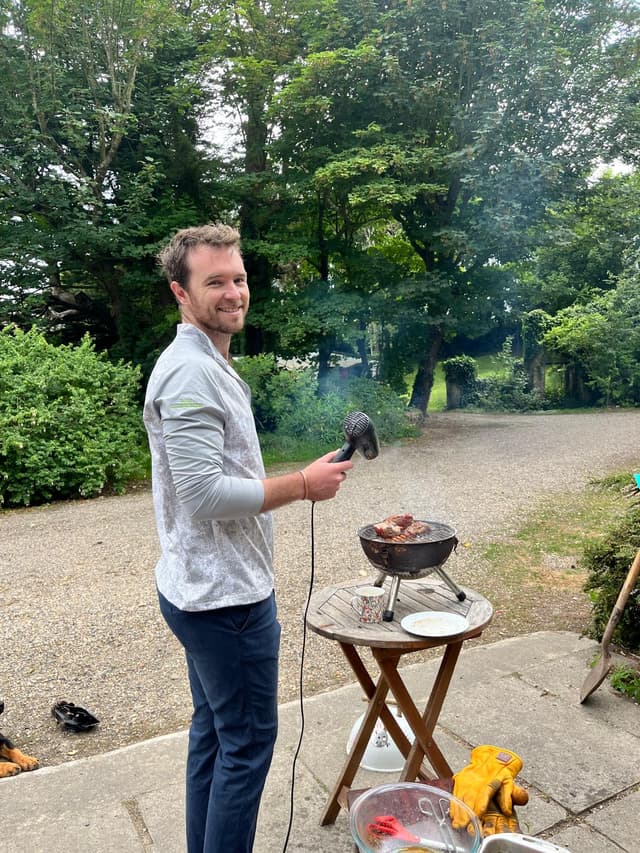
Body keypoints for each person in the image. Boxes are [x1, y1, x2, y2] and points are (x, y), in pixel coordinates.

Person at [143, 223, 353, 853]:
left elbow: (219, 475)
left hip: (204, 591)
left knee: (214, 731)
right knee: (248, 745)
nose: (233, 293)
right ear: (182, 293)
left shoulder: (210, 362)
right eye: (215, 282)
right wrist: (302, 485)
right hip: (224, 602)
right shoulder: (188, 374)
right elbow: (203, 495)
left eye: (238, 279)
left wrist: (297, 477)